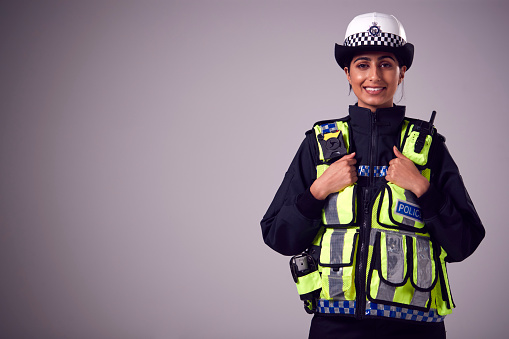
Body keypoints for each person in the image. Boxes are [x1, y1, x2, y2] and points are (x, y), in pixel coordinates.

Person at [260, 12, 485, 339]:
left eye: (387, 64)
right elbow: (279, 237)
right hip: (334, 328)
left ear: (401, 73)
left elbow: (464, 243)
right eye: (363, 64)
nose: (374, 75)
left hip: (415, 331)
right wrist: (318, 191)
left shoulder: (429, 148)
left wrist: (423, 188)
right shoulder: (318, 146)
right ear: (348, 73)